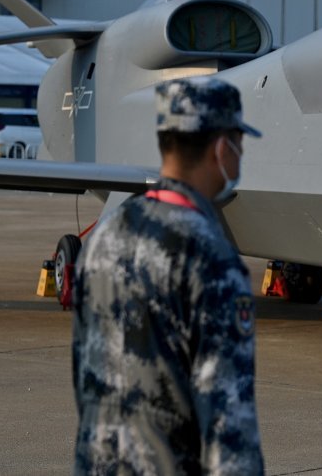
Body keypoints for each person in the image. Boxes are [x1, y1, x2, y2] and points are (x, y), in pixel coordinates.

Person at [71, 78, 265, 475]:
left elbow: (85, 374)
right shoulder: (210, 256)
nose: (241, 155)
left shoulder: (105, 235)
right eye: (239, 142)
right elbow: (229, 421)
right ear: (220, 148)